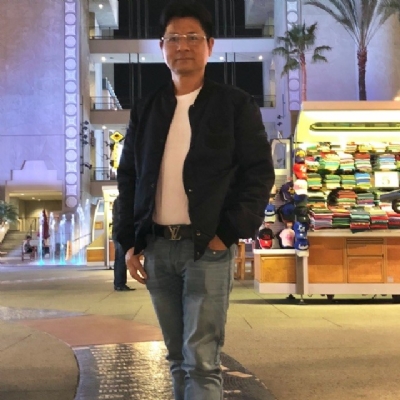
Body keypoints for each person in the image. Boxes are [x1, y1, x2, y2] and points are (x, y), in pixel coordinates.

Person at [116, 1, 275, 399]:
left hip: (207, 248)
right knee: (175, 357)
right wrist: (129, 241)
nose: (182, 46)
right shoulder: (148, 108)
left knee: (201, 361)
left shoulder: (234, 105)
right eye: (173, 38)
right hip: (157, 249)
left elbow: (258, 174)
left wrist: (227, 233)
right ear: (161, 46)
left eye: (192, 37)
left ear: (210, 45)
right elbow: (129, 177)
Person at [112, 196, 135, 291]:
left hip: (117, 232)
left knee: (119, 258)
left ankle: (119, 283)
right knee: (121, 259)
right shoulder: (124, 201)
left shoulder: (117, 201)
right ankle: (120, 284)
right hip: (121, 233)